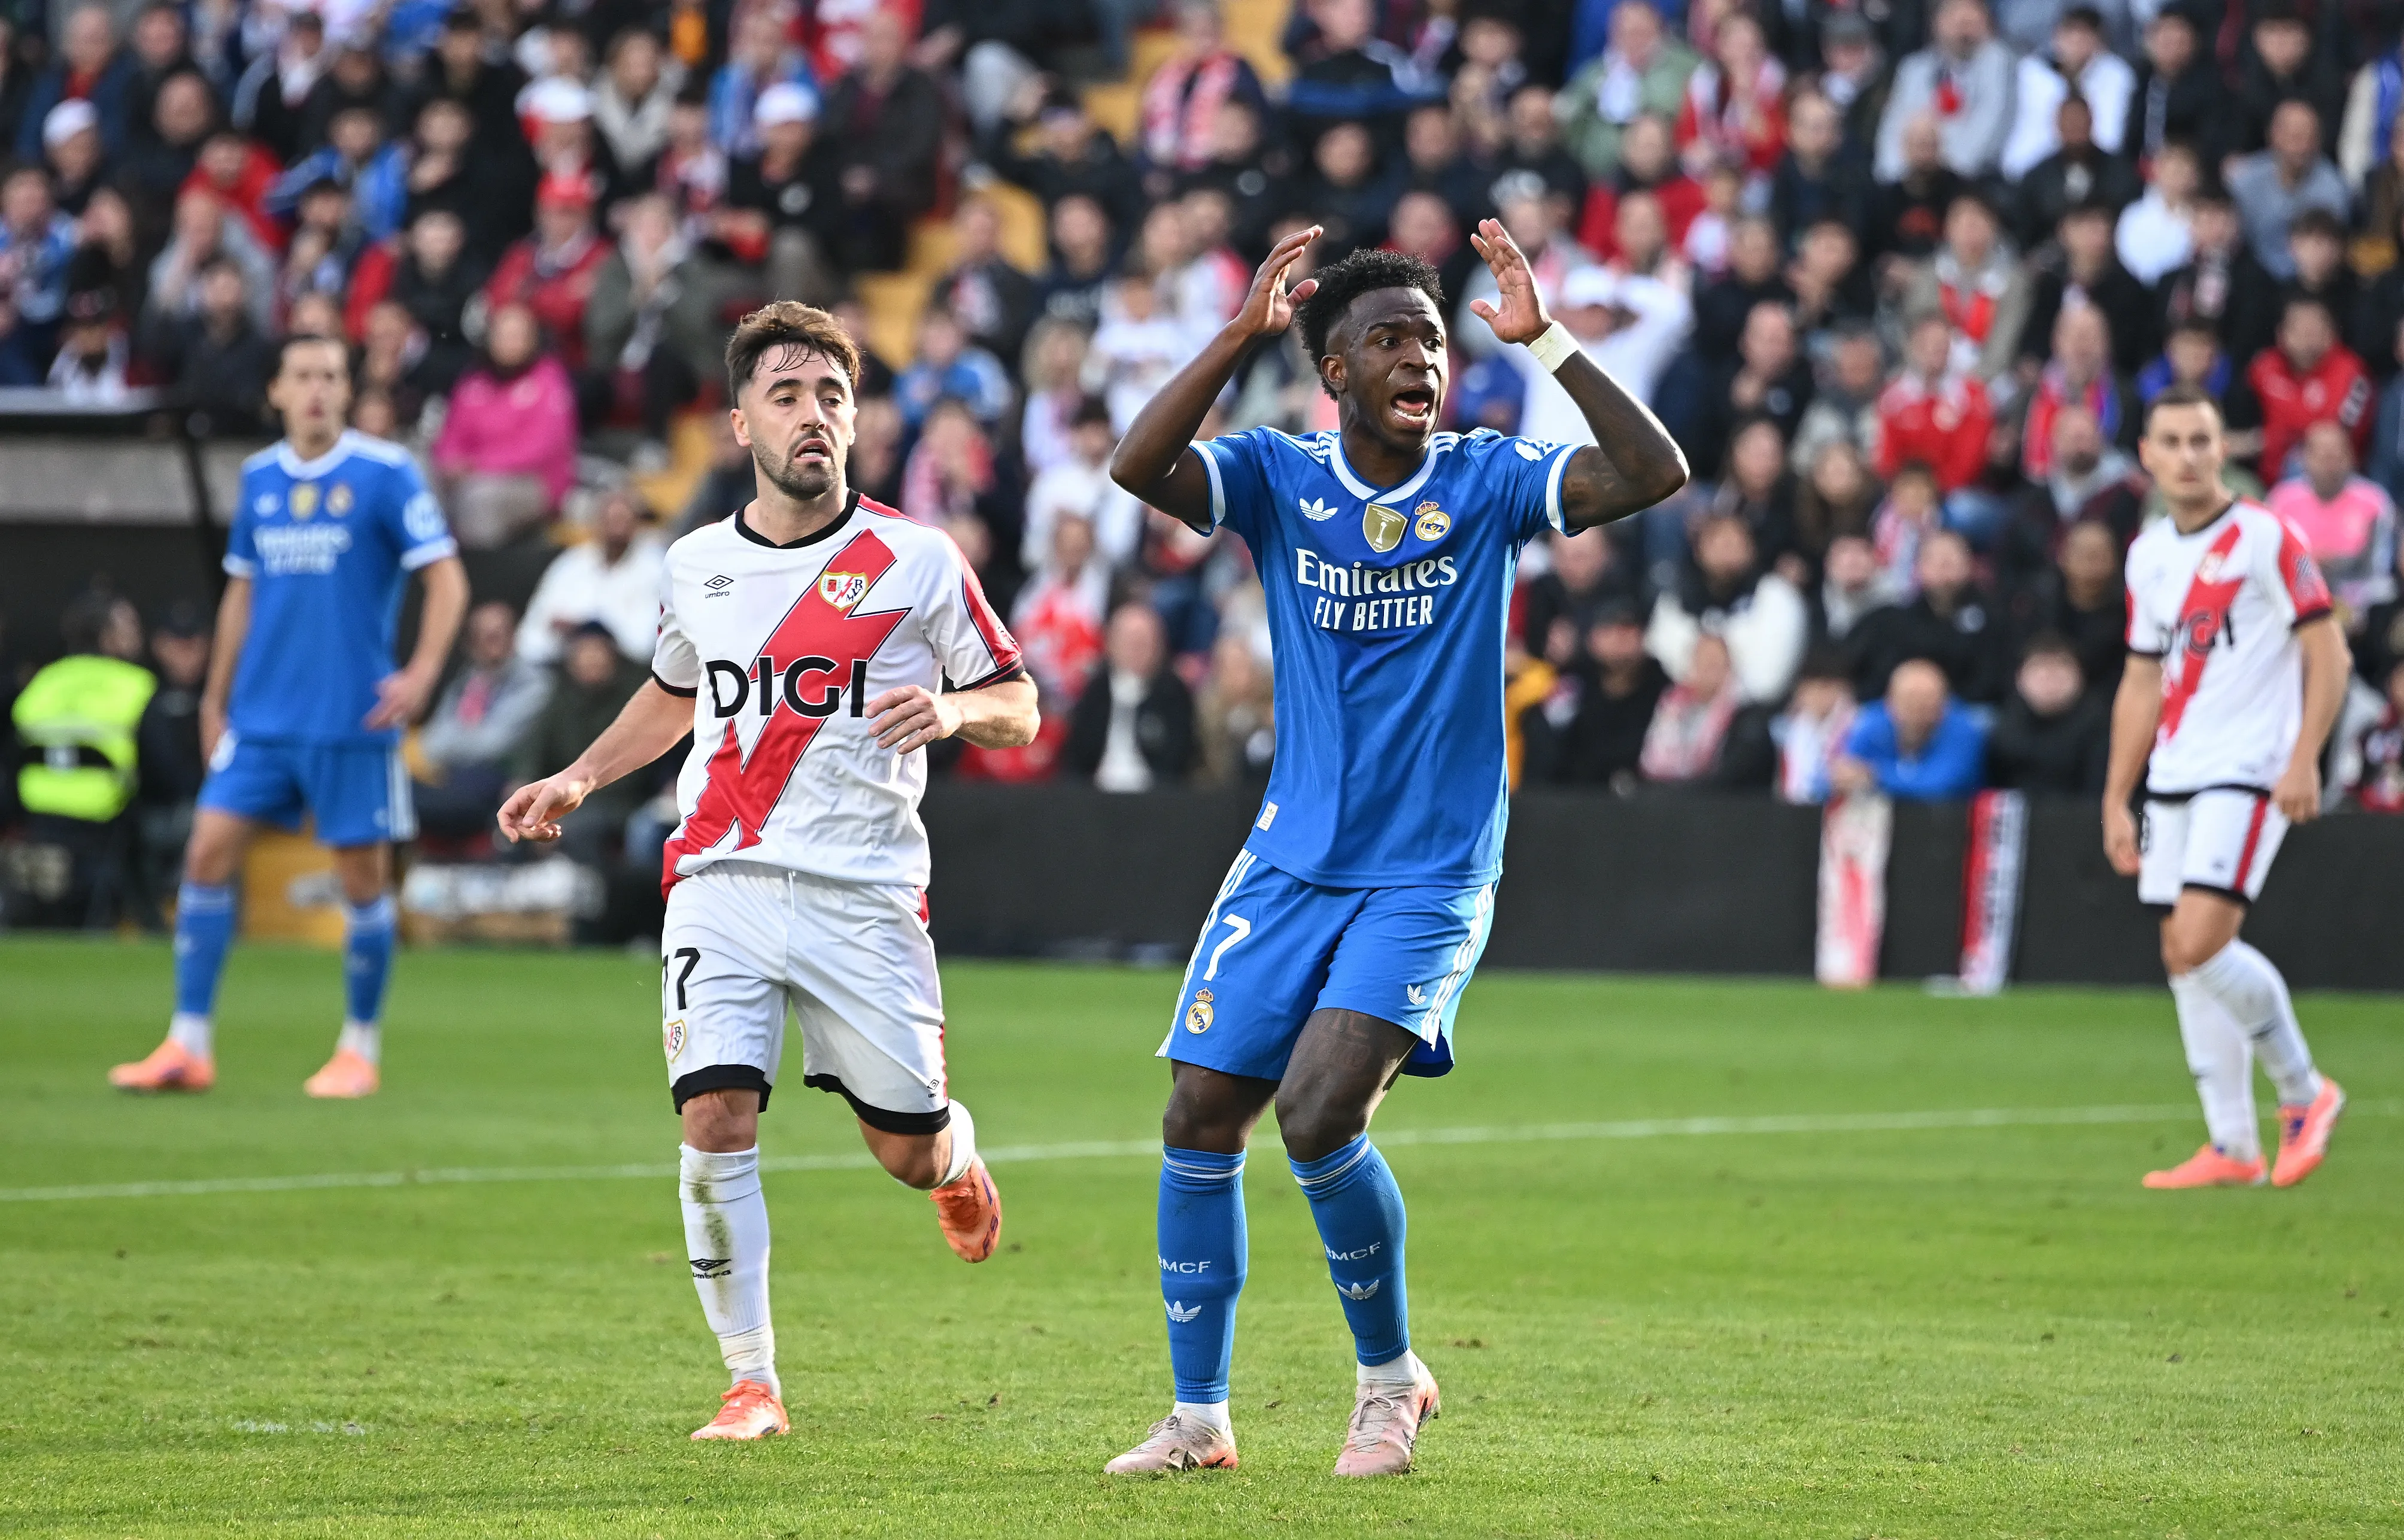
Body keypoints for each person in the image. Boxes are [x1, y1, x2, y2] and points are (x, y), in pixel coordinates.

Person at [1101, 219, 1686, 1475]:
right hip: (1291, 858)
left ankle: (1389, 1379)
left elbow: (1653, 471)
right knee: (1200, 1111)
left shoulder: (1482, 480)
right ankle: (1198, 1416)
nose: (1419, 355)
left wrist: (1553, 344)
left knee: (1316, 1113)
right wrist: (1235, 335)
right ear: (1337, 371)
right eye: (1387, 339)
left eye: (1429, 337)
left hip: (1427, 868)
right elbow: (1137, 464)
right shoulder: (1273, 473)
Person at [497, 302, 1038, 1441]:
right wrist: (581, 776)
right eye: (788, 396)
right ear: (741, 421)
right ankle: (752, 1381)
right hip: (720, 878)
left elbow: (1019, 700)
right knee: (715, 1119)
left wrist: (949, 706)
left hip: (864, 893)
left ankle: (953, 1160)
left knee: (905, 1146)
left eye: (834, 397)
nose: (814, 417)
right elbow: (675, 689)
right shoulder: (694, 563)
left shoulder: (917, 558)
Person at [108, 335, 469, 1098]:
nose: (317, 389)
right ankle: (188, 1043)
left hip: (352, 718)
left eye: (332, 376)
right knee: (206, 851)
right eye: (303, 375)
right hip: (263, 717)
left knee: (362, 881)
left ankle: (359, 1048)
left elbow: (447, 579)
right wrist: (215, 696)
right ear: (275, 390)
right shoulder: (259, 477)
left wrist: (424, 671)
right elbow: (242, 591)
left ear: (347, 389)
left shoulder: (384, 472)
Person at [2103, 384, 2349, 1190]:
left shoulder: (2265, 537)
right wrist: (2117, 794)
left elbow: (2329, 650)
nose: (2186, 456)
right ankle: (2233, 1144)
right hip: (2173, 775)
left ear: (2224, 450)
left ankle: (2306, 1092)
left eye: (2201, 441)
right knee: (2182, 954)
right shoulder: (2148, 554)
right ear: (2146, 454)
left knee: (2204, 939)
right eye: (2170, 441)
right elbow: (2142, 681)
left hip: (2245, 771)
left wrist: (2305, 755)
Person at [1063, 600, 1197, 789]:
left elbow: (1180, 756)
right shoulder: (1096, 690)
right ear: (1111, 645)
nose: (1137, 651)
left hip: (1156, 799)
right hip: (1096, 798)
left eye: (1144, 643)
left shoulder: (1173, 692)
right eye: (1129, 643)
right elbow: (1077, 753)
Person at [1831, 657, 1987, 800]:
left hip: (1950, 822)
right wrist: (1843, 778)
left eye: (1928, 701)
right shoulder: (1873, 723)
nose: (1918, 709)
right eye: (1910, 700)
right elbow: (1842, 772)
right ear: (1889, 701)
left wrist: (1875, 777)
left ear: (1945, 703)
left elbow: (1940, 786)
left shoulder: (1965, 730)